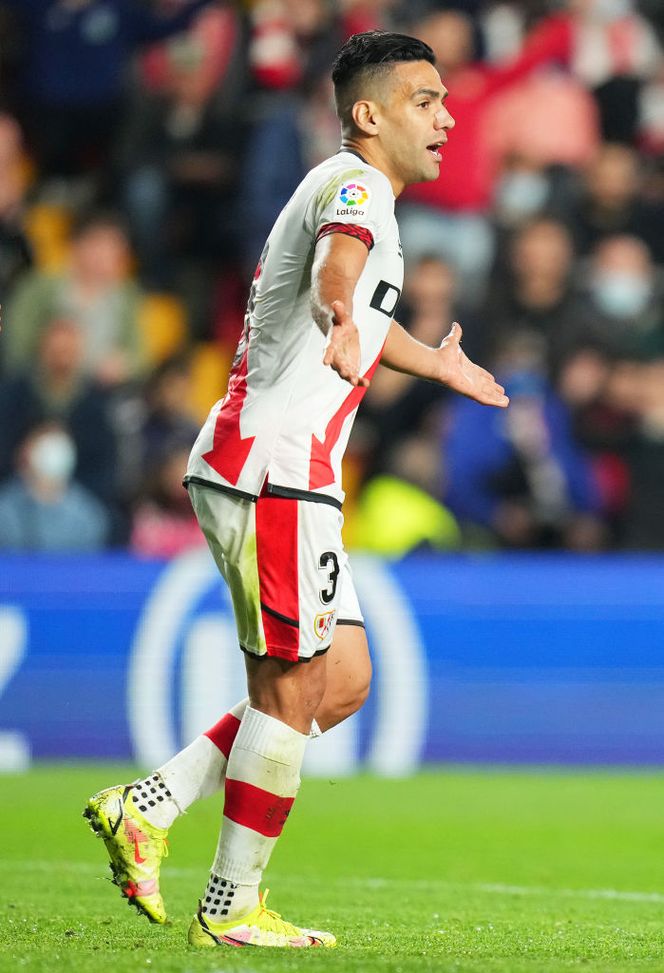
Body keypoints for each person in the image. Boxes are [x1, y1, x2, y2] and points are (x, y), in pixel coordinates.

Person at [83, 30, 508, 950]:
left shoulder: (363, 197)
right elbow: (336, 276)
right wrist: (338, 312)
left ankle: (145, 804)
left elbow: (353, 297)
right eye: (425, 100)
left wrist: (426, 359)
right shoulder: (357, 189)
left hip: (286, 470)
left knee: (339, 680)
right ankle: (232, 904)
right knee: (287, 688)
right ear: (370, 115)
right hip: (273, 466)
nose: (446, 116)